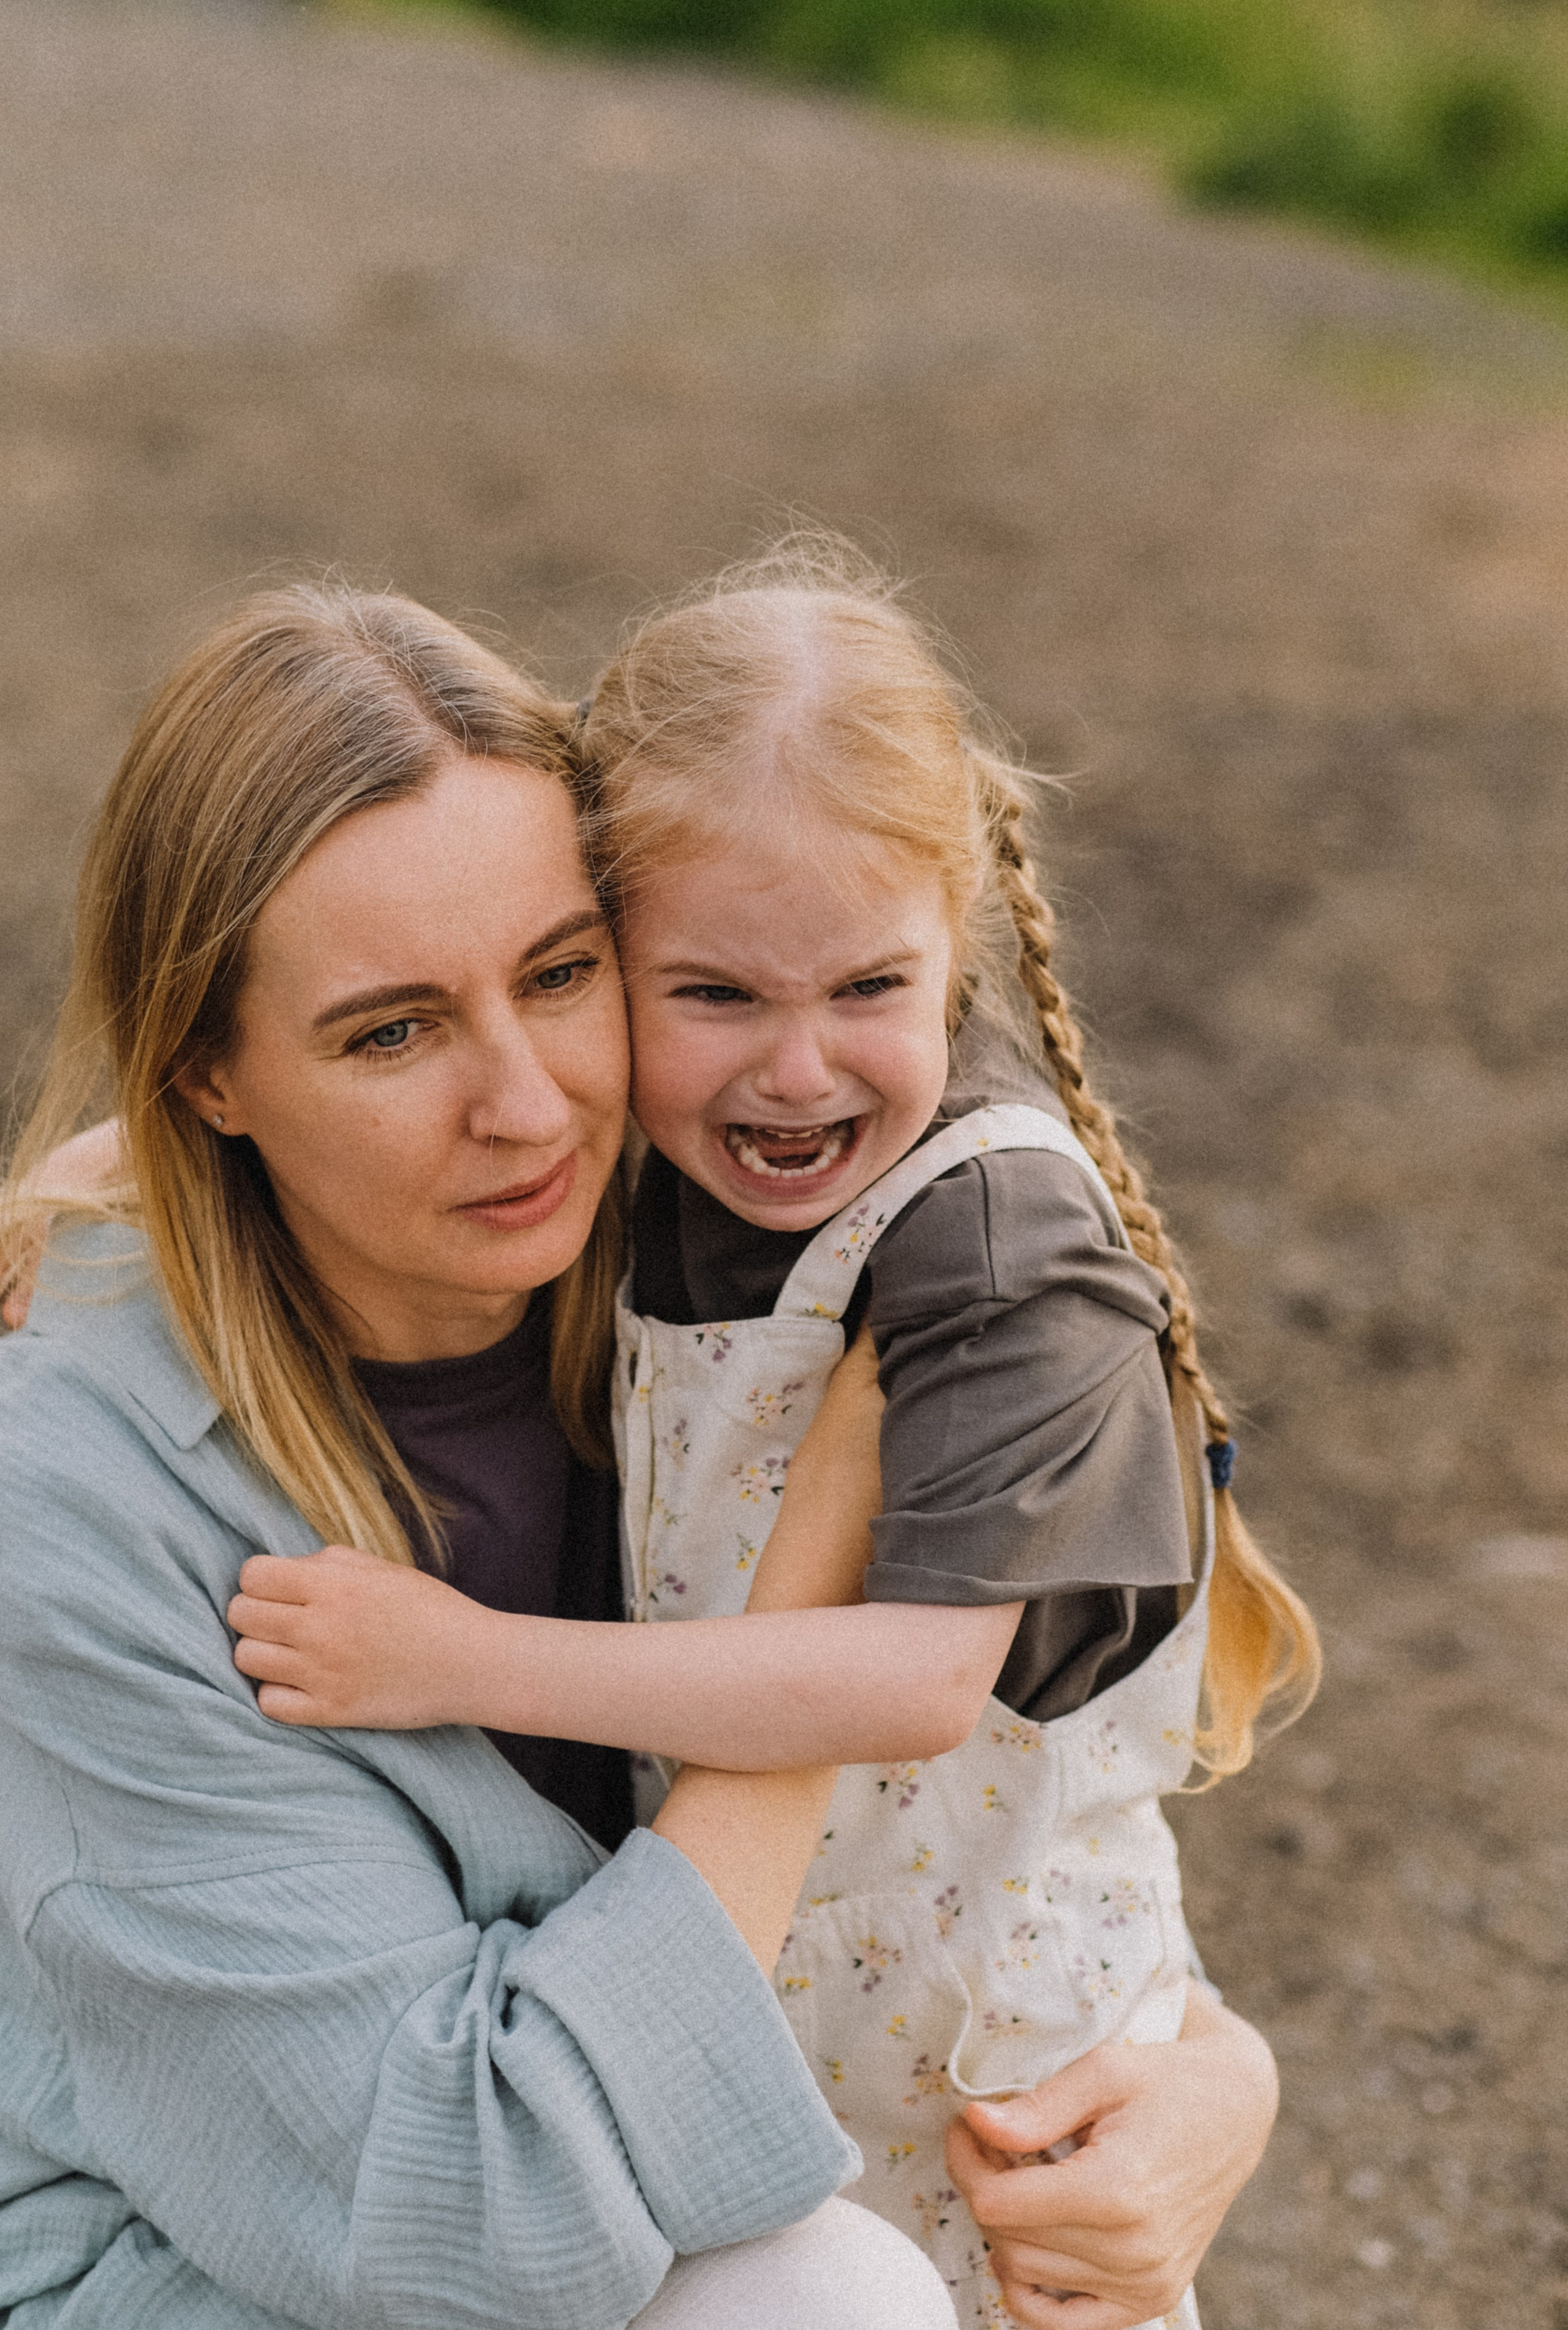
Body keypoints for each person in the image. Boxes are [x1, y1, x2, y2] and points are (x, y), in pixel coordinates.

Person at [217, 556, 1314, 2326]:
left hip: (995, 2070)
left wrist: (465, 1660)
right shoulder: (659, 1162)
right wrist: (92, 1169)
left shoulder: (992, 1243)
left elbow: (912, 1686)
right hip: (785, 2008)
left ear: (957, 929)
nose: (794, 1075)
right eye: (714, 996)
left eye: (866, 987)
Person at [0, 584, 960, 2330]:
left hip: (601, 2124)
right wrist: (823, 1607)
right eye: (391, 1032)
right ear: (206, 1077)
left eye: (560, 973)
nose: (526, 1105)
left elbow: (1065, 1794)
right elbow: (482, 2215)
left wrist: (1199, 2074)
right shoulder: (65, 1507)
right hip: (204, 2263)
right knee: (825, 2303)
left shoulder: (724, 1250)